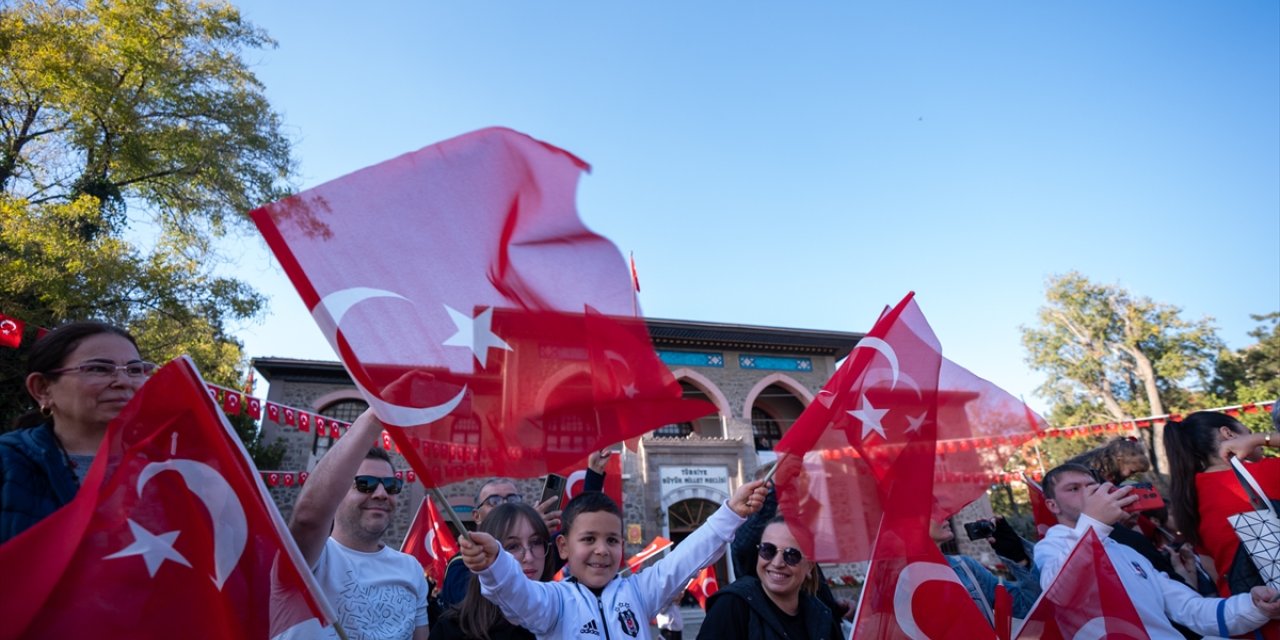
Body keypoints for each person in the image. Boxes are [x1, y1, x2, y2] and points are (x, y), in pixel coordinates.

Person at [461, 480, 768, 639]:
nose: (601, 550)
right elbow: (516, 593)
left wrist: (731, 512)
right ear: (564, 547)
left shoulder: (638, 592)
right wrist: (495, 564)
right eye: (588, 539)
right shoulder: (553, 603)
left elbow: (685, 558)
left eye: (611, 540)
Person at [1035, 462, 1280, 638]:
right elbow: (1059, 592)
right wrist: (1094, 523)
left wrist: (1254, 605)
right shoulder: (1050, 547)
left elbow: (1190, 609)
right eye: (1073, 489)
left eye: (1092, 486)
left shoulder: (1125, 551)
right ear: (1052, 505)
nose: (1089, 493)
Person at [1, 321, 153, 544]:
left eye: (135, 370)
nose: (124, 382)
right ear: (42, 389)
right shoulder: (8, 462)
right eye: (99, 368)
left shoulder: (169, 464)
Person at [286, 408, 429, 640]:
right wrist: (375, 416)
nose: (381, 493)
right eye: (366, 483)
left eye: (390, 485)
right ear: (337, 492)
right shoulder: (311, 559)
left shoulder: (411, 568)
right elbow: (307, 519)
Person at [438, 450, 609, 608]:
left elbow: (576, 531)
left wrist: (594, 473)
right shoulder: (462, 564)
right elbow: (477, 607)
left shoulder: (538, 554)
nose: (527, 557)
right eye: (494, 501)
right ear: (477, 516)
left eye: (512, 500)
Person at [1164, 410, 1280, 636]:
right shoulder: (1266, 473)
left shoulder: (1189, 498)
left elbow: (1213, 570)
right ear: (1228, 433)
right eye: (1247, 430)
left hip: (1249, 620)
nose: (1252, 436)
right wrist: (1261, 438)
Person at [698, 516, 842, 640]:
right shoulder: (732, 605)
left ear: (809, 566)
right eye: (768, 550)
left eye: (791, 555)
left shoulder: (821, 615)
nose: (777, 563)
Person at [431, 502, 554, 640]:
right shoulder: (451, 630)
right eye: (513, 546)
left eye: (536, 542)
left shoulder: (566, 615)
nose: (529, 557)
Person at [929, 517, 1040, 622]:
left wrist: (1018, 557)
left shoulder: (965, 566)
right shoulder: (911, 578)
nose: (944, 517)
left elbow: (1029, 607)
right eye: (933, 512)